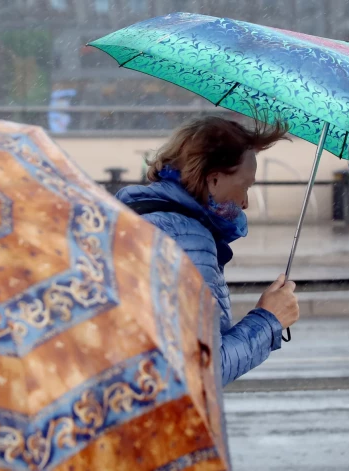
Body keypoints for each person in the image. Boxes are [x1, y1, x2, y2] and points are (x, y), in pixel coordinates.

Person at [117, 116, 300, 386]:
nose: (245, 202)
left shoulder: (133, 217)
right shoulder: (186, 238)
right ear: (213, 179)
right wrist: (269, 319)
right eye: (245, 185)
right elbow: (200, 371)